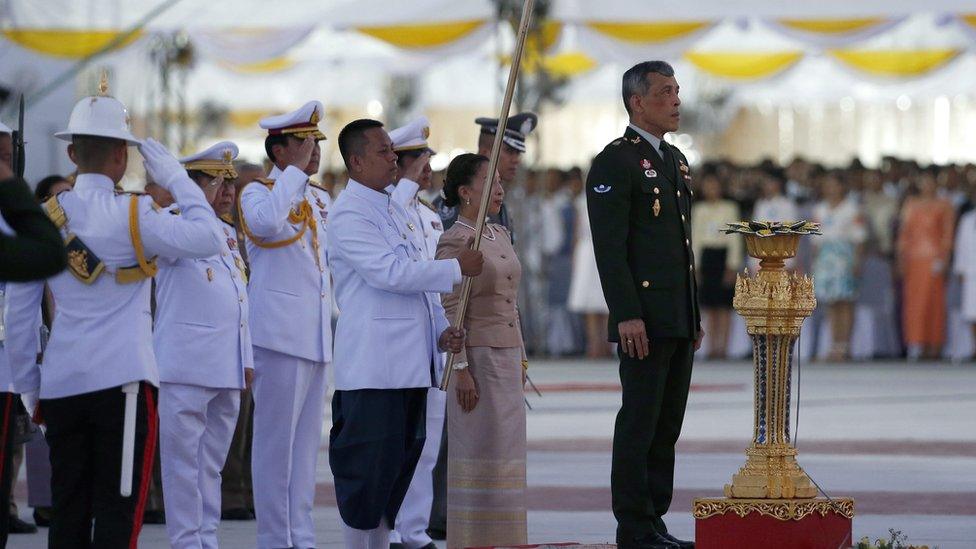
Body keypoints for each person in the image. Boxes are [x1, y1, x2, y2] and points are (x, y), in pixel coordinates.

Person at [3, 82, 224, 547]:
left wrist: (28, 389)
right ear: (123, 157)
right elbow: (210, 238)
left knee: (67, 513)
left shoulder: (44, 217)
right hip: (123, 383)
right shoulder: (136, 214)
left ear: (72, 156)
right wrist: (179, 179)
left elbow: (21, 314)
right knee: (117, 516)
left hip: (61, 383)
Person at [326, 119, 478, 549]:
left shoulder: (393, 211)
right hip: (375, 369)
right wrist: (455, 268)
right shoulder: (349, 213)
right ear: (356, 162)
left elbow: (419, 291)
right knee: (366, 481)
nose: (394, 158)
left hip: (410, 367)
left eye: (393, 150)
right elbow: (389, 273)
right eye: (383, 151)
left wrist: (441, 334)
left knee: (393, 482)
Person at [586, 60, 700, 549]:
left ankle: (655, 521)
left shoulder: (673, 159)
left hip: (675, 316)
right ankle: (633, 525)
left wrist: (691, 314)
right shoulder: (616, 161)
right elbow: (610, 248)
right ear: (637, 101)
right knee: (640, 420)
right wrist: (627, 312)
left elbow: (680, 246)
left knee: (666, 425)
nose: (676, 99)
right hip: (644, 318)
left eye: (677, 90)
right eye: (666, 92)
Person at [238, 101, 333, 549]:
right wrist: (293, 176)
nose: (313, 150)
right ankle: (275, 537)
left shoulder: (319, 197)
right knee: (276, 446)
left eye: (316, 142)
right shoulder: (257, 193)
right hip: (277, 334)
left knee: (304, 450)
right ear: (279, 152)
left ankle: (302, 534)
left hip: (313, 334)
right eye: (302, 142)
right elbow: (267, 225)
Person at [154, 142, 253, 548]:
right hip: (185, 364)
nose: (227, 192)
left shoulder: (229, 235)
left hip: (225, 366)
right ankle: (185, 541)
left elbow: (240, 301)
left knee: (211, 466)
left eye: (230, 183)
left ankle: (206, 538)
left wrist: (244, 358)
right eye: (216, 182)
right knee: (182, 465)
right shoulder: (171, 223)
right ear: (192, 188)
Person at [436, 153, 528, 548]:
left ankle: (505, 539)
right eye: (490, 183)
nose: (500, 190)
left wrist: (522, 355)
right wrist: (461, 368)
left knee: (507, 455)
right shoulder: (456, 239)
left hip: (507, 356)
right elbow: (451, 308)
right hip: (478, 357)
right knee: (479, 450)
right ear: (465, 192)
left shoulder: (499, 234)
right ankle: (473, 540)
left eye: (500, 183)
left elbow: (513, 301)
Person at [386, 117, 448, 549]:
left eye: (428, 161)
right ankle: (389, 526)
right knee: (397, 444)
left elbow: (434, 286)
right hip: (397, 344)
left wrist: (446, 331)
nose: (428, 171)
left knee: (427, 444)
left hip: (431, 341)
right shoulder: (387, 208)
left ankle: (415, 529)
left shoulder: (427, 216)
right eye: (421, 161)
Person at [221, 162, 262, 521]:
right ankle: (231, 491)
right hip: (228, 339)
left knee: (252, 421)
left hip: (256, 336)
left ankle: (247, 489)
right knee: (232, 423)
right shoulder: (224, 231)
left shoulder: (260, 230)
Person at [896, 170, 956, 360]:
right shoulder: (911, 204)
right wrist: (900, 258)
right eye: (924, 181)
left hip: (934, 261)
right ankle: (916, 343)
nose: (927, 185)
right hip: (914, 261)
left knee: (934, 303)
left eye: (930, 181)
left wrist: (944, 259)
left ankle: (934, 343)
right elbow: (904, 234)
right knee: (914, 303)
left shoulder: (944, 205)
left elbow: (947, 235)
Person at [811, 172, 866, 361]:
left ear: (842, 187)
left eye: (834, 184)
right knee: (831, 303)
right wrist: (815, 261)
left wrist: (857, 262)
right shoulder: (820, 209)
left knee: (845, 302)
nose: (830, 189)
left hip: (844, 257)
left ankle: (845, 345)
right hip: (826, 259)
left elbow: (859, 238)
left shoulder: (851, 208)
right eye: (827, 185)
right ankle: (834, 345)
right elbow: (815, 239)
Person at [691, 173, 742, 360]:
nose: (711, 190)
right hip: (706, 257)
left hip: (723, 256)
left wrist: (732, 264)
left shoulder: (729, 207)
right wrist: (695, 265)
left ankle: (724, 347)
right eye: (707, 186)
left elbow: (734, 238)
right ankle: (712, 347)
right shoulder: (699, 209)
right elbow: (695, 237)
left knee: (724, 305)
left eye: (714, 185)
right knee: (710, 305)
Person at [568, 172, 611, 358]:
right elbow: (578, 230)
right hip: (587, 250)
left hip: (606, 248)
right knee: (588, 301)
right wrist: (575, 255)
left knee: (606, 299)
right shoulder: (582, 199)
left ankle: (608, 345)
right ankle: (594, 344)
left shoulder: (613, 194)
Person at [953, 203, 976, 357]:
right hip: (971, 272)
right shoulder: (967, 219)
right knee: (972, 313)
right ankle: (974, 347)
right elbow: (961, 245)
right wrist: (960, 268)